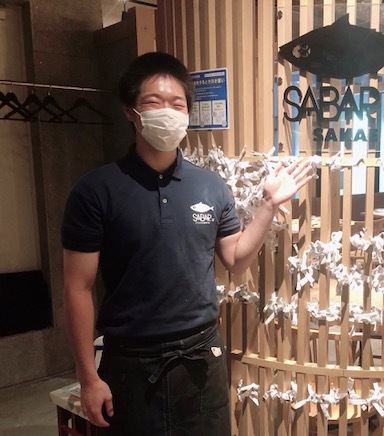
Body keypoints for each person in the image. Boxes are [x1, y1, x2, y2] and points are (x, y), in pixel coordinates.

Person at [62, 51, 313, 435]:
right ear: (130, 111)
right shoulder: (96, 191)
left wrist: (267, 206)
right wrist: (87, 378)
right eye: (153, 102)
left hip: (201, 356)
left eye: (177, 104)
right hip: (130, 361)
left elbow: (236, 260)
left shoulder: (210, 186)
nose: (168, 111)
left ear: (188, 113)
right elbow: (76, 288)